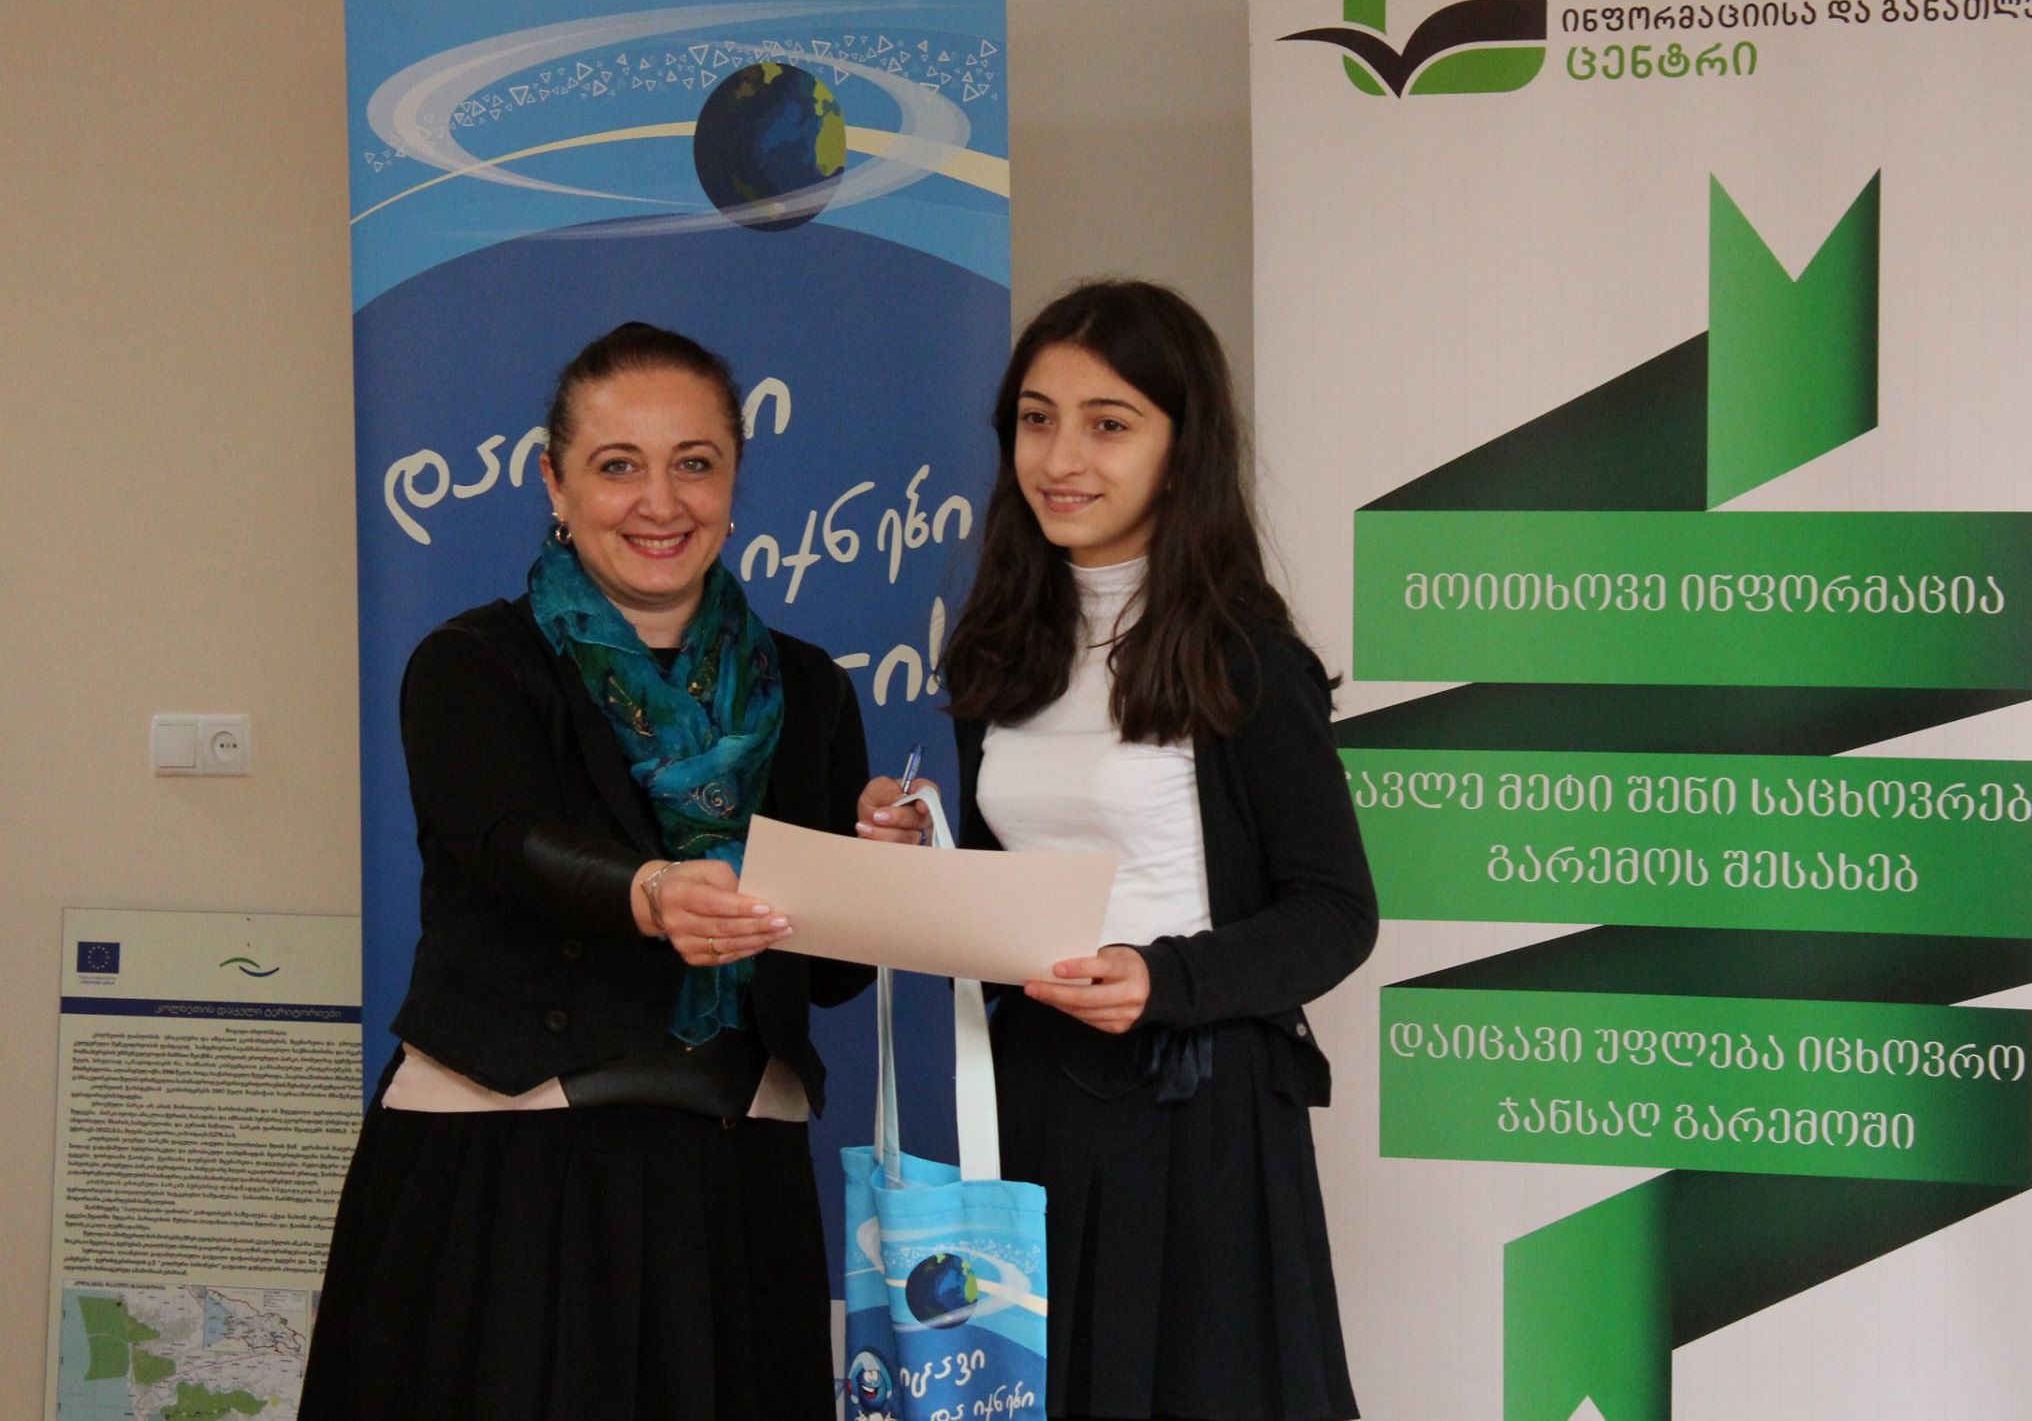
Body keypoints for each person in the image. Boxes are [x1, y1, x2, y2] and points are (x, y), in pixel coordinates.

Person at [303, 322, 872, 1421]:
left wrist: (874, 871)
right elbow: (510, 843)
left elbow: (833, 975)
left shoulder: (809, 688)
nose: (659, 502)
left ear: (733, 481)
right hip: (507, 1175)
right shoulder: (472, 664)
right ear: (554, 483)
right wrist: (650, 893)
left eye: (693, 463)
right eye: (618, 465)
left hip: (732, 1192)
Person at [859, 280, 1378, 1421]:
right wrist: (920, 846)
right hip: (1036, 1101)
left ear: (1181, 450)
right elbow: (1010, 892)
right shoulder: (1003, 646)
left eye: (1108, 423)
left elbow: (1336, 911)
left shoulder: (1244, 657)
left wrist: (1163, 978)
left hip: (1199, 1113)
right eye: (1036, 419)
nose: (1060, 458)